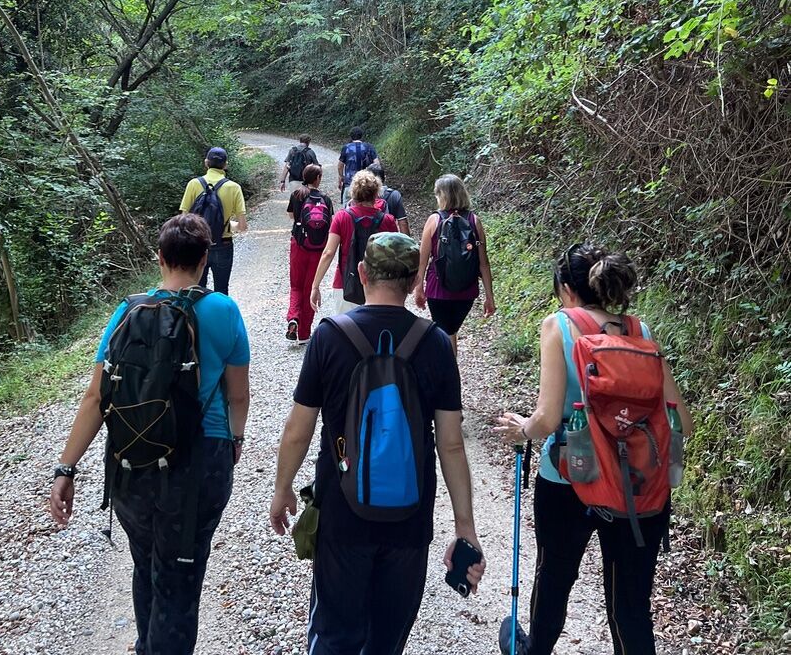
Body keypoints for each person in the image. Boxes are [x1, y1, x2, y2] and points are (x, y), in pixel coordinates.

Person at [270, 232, 487, 655]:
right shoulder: (436, 343)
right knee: (387, 640)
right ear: (413, 281)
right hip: (410, 520)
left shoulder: (330, 336)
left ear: (362, 273)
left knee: (334, 635)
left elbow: (299, 427)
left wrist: (282, 489)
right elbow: (451, 445)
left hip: (342, 515)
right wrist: (465, 526)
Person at [49, 213, 251, 655]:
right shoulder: (224, 310)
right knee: (180, 577)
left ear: (160, 258)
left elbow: (96, 397)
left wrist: (66, 468)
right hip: (200, 464)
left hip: (133, 464)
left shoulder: (128, 310)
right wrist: (235, 440)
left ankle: (147, 645)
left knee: (146, 564)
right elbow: (238, 395)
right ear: (204, 260)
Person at [493, 241, 693, 655]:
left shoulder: (558, 325)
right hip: (636, 485)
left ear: (567, 289)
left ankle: (535, 649)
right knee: (630, 607)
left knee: (555, 577)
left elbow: (547, 418)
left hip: (570, 478)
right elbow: (683, 423)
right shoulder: (641, 332)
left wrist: (521, 430)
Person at [414, 174, 495, 357]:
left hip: (438, 289)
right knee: (450, 331)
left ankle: (447, 371)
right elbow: (484, 263)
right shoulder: (474, 221)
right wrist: (489, 297)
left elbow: (422, 260)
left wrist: (419, 288)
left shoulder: (434, 220)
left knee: (446, 332)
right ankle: (449, 369)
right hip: (467, 291)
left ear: (441, 196)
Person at [310, 168, 398, 317]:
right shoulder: (388, 220)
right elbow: (395, 256)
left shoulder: (341, 217)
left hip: (345, 283)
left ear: (353, 192)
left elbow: (328, 253)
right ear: (376, 193)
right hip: (379, 285)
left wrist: (315, 285)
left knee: (346, 329)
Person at [180, 146, 248, 295]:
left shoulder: (193, 184)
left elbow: (183, 221)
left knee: (196, 291)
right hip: (223, 244)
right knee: (221, 291)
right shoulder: (234, 187)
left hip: (197, 245)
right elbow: (242, 226)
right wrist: (226, 226)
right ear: (226, 165)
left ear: (206, 163)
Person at [285, 163, 334, 343]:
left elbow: (291, 216)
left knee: (296, 286)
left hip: (298, 245)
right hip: (318, 249)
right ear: (318, 178)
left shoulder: (297, 194)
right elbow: (330, 223)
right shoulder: (326, 199)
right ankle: (304, 334)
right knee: (311, 288)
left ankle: (293, 318)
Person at [367, 159, 410, 236]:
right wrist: (406, 241)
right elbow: (402, 222)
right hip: (388, 239)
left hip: (367, 239)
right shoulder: (394, 195)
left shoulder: (362, 195)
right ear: (385, 178)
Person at [337, 126, 378, 204]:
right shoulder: (369, 147)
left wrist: (341, 177)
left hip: (350, 184)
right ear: (361, 136)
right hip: (366, 185)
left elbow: (340, 166)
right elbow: (376, 164)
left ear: (351, 136)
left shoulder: (346, 148)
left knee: (347, 208)